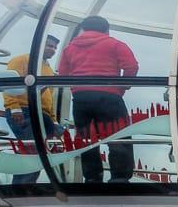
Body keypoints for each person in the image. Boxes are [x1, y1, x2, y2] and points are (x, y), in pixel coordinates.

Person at [57, 15, 139, 184]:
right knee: (118, 135)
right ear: (106, 29)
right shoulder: (115, 44)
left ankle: (92, 177)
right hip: (109, 97)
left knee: (86, 138)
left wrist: (76, 89)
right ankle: (120, 178)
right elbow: (131, 66)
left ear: (84, 29)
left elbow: (63, 73)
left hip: (81, 99)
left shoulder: (70, 49)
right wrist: (121, 88)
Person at [2, 35, 59, 188]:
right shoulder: (21, 60)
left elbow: (49, 96)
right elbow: (8, 83)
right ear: (39, 45)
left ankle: (26, 186)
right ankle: (22, 187)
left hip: (43, 115)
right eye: (49, 45)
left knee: (38, 153)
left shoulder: (48, 69)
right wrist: (14, 107)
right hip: (25, 111)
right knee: (31, 151)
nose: (52, 50)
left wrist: (53, 120)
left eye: (54, 47)